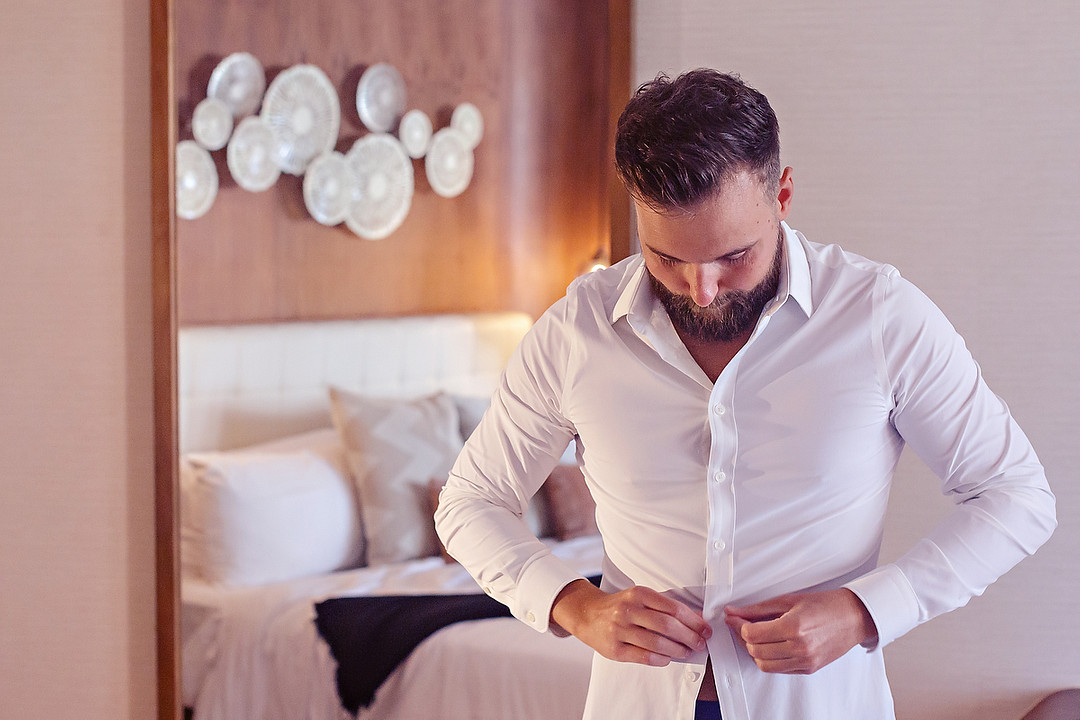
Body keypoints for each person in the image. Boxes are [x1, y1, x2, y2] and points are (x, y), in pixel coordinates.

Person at [433, 69, 1057, 720]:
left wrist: (864, 610)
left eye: (732, 255)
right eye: (667, 257)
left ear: (782, 194)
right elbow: (470, 502)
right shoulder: (577, 331)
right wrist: (573, 603)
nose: (700, 289)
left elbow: (1015, 497)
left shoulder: (881, 317)